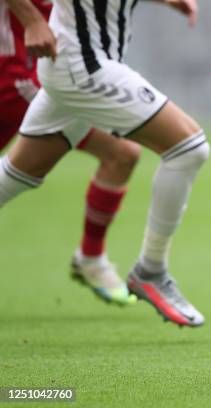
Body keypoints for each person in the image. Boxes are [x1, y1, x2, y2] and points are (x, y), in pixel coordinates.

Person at [0, 0, 209, 327]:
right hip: (81, 65)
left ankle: (100, 260)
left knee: (14, 176)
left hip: (79, 62)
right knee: (189, 147)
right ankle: (151, 271)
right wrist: (31, 20)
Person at [1, 0, 141, 306]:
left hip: (43, 72)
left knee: (122, 154)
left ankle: (90, 259)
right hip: (13, 74)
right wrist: (33, 21)